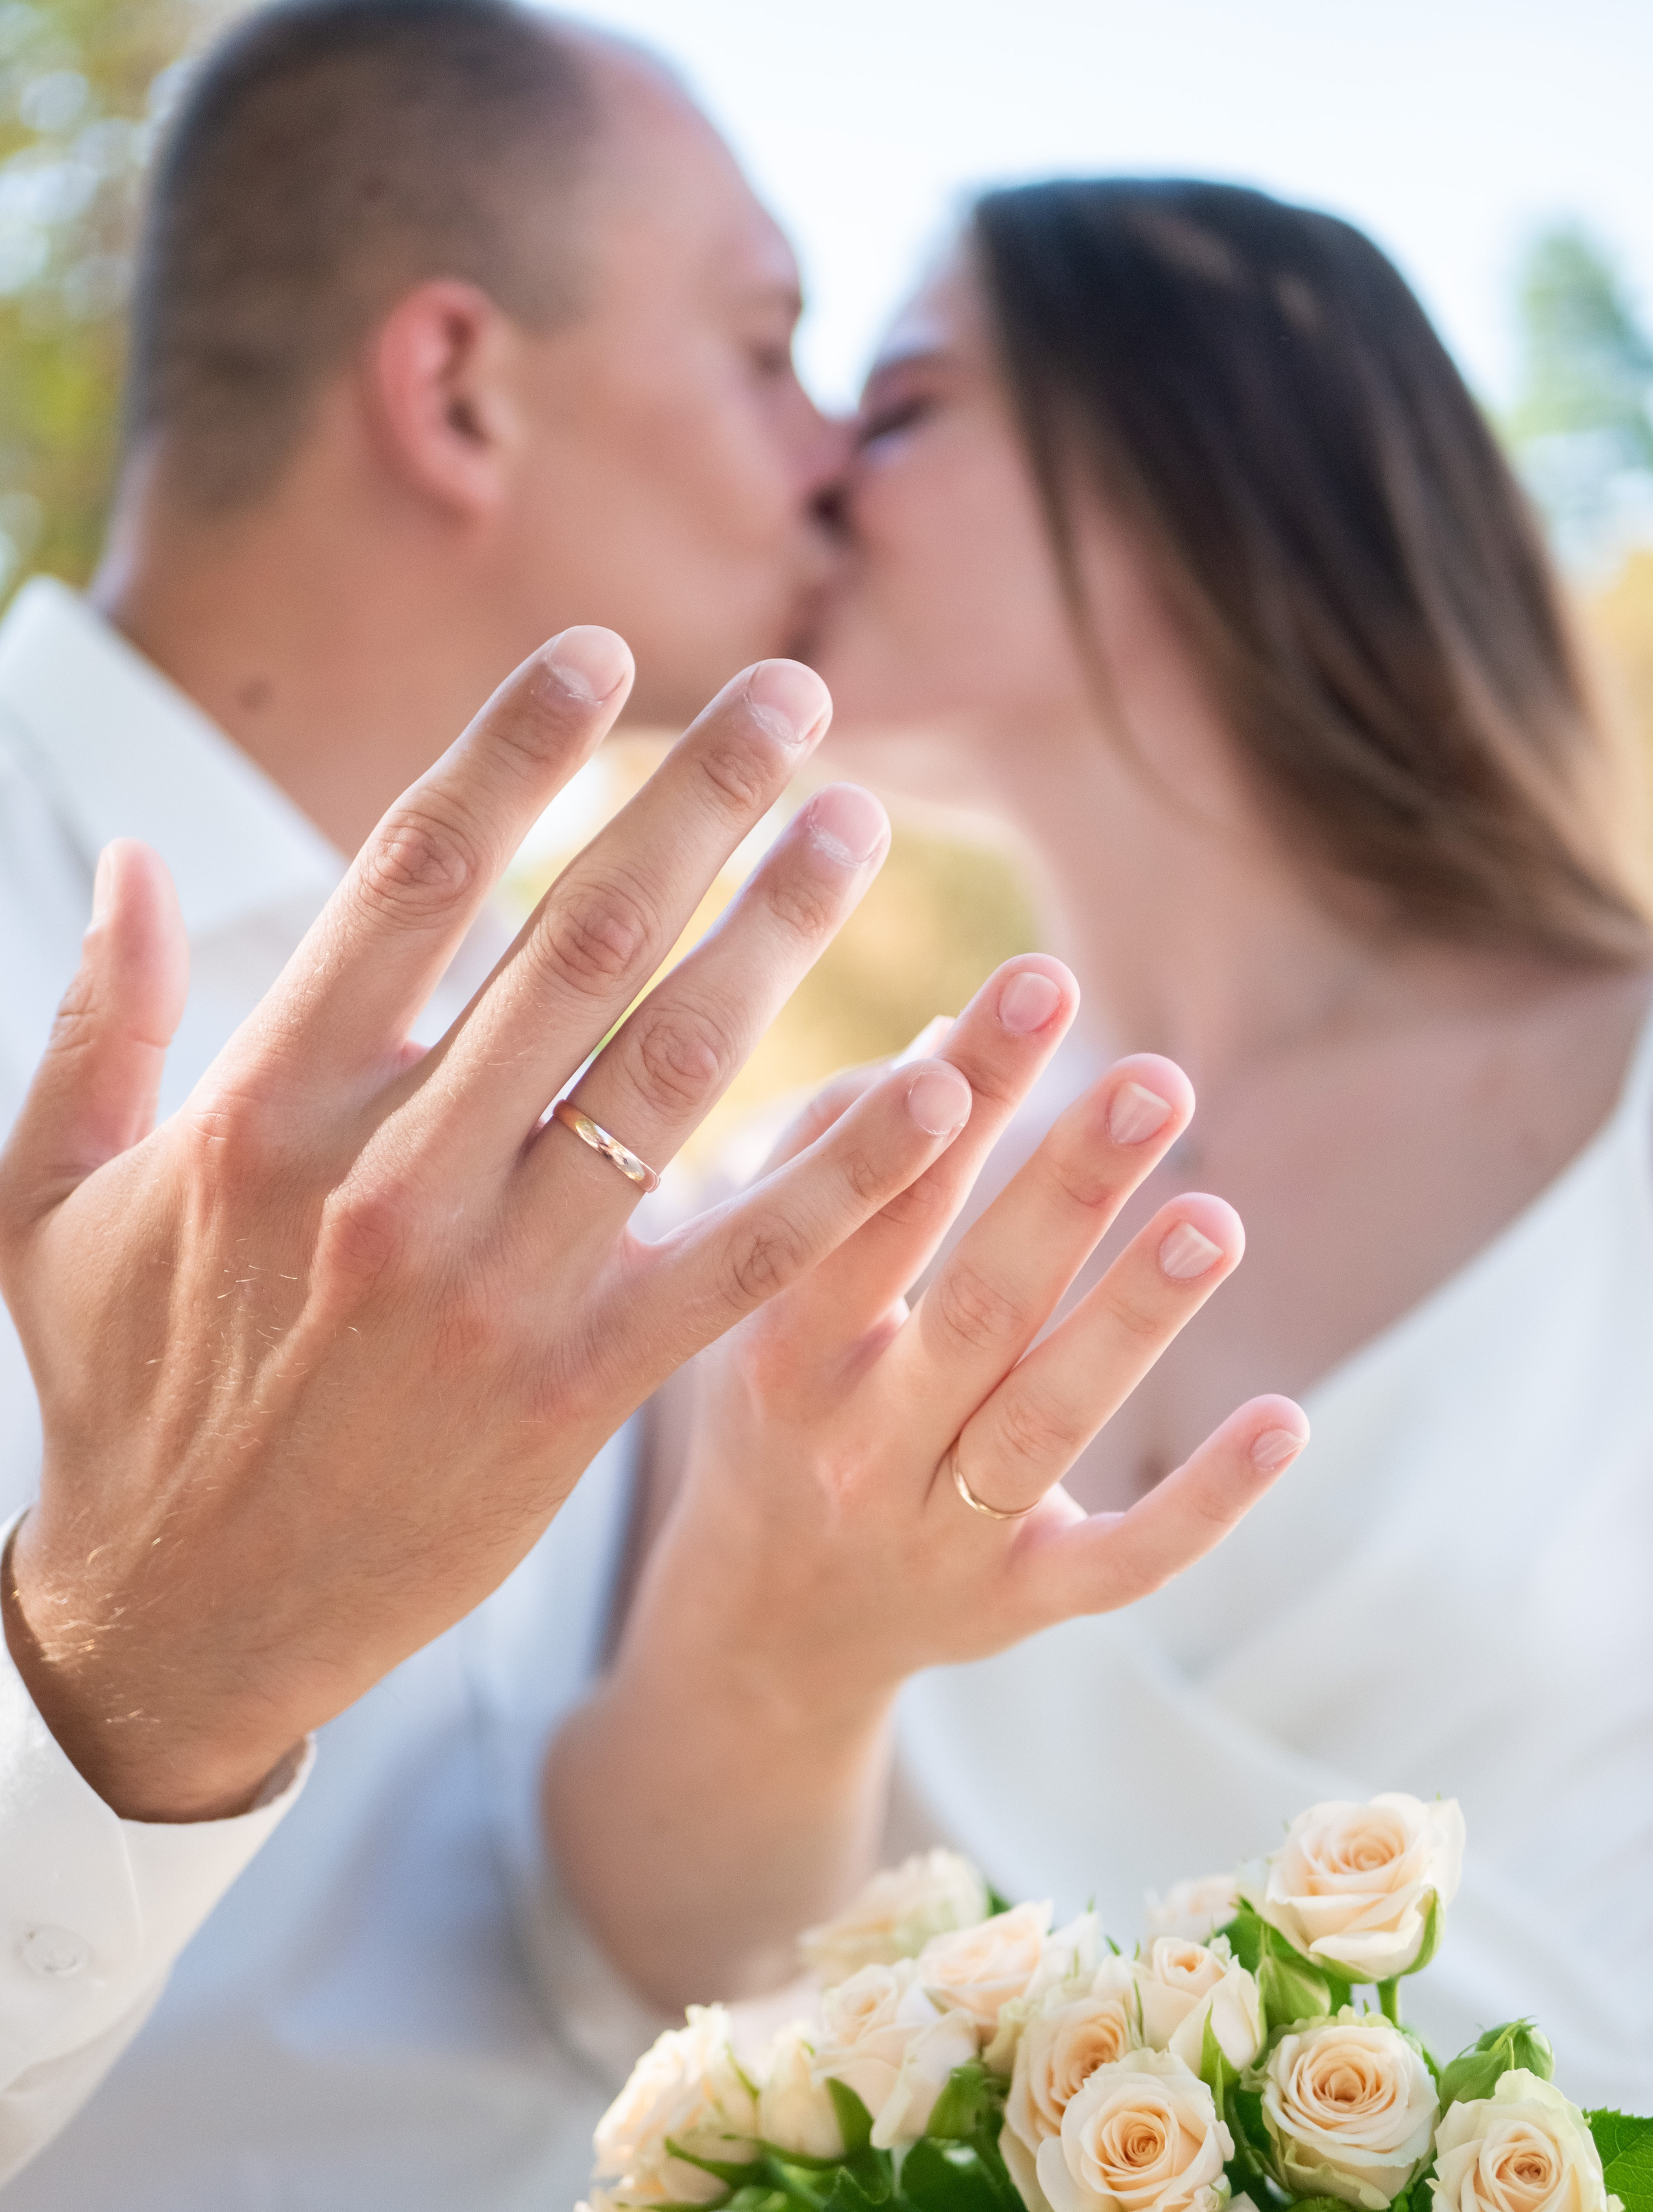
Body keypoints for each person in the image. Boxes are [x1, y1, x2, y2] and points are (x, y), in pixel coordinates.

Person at [0, 12, 1293, 2201]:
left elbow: (603, 1982)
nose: (828, 463)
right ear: (461, 392)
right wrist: (131, 1675)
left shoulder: (619, 1083)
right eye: (767, 346)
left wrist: (786, 1648)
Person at [550, 182, 1653, 2106]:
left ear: (1200, 447)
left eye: (896, 406)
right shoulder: (818, 1206)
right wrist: (780, 1656)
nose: (806, 469)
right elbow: (667, 1976)